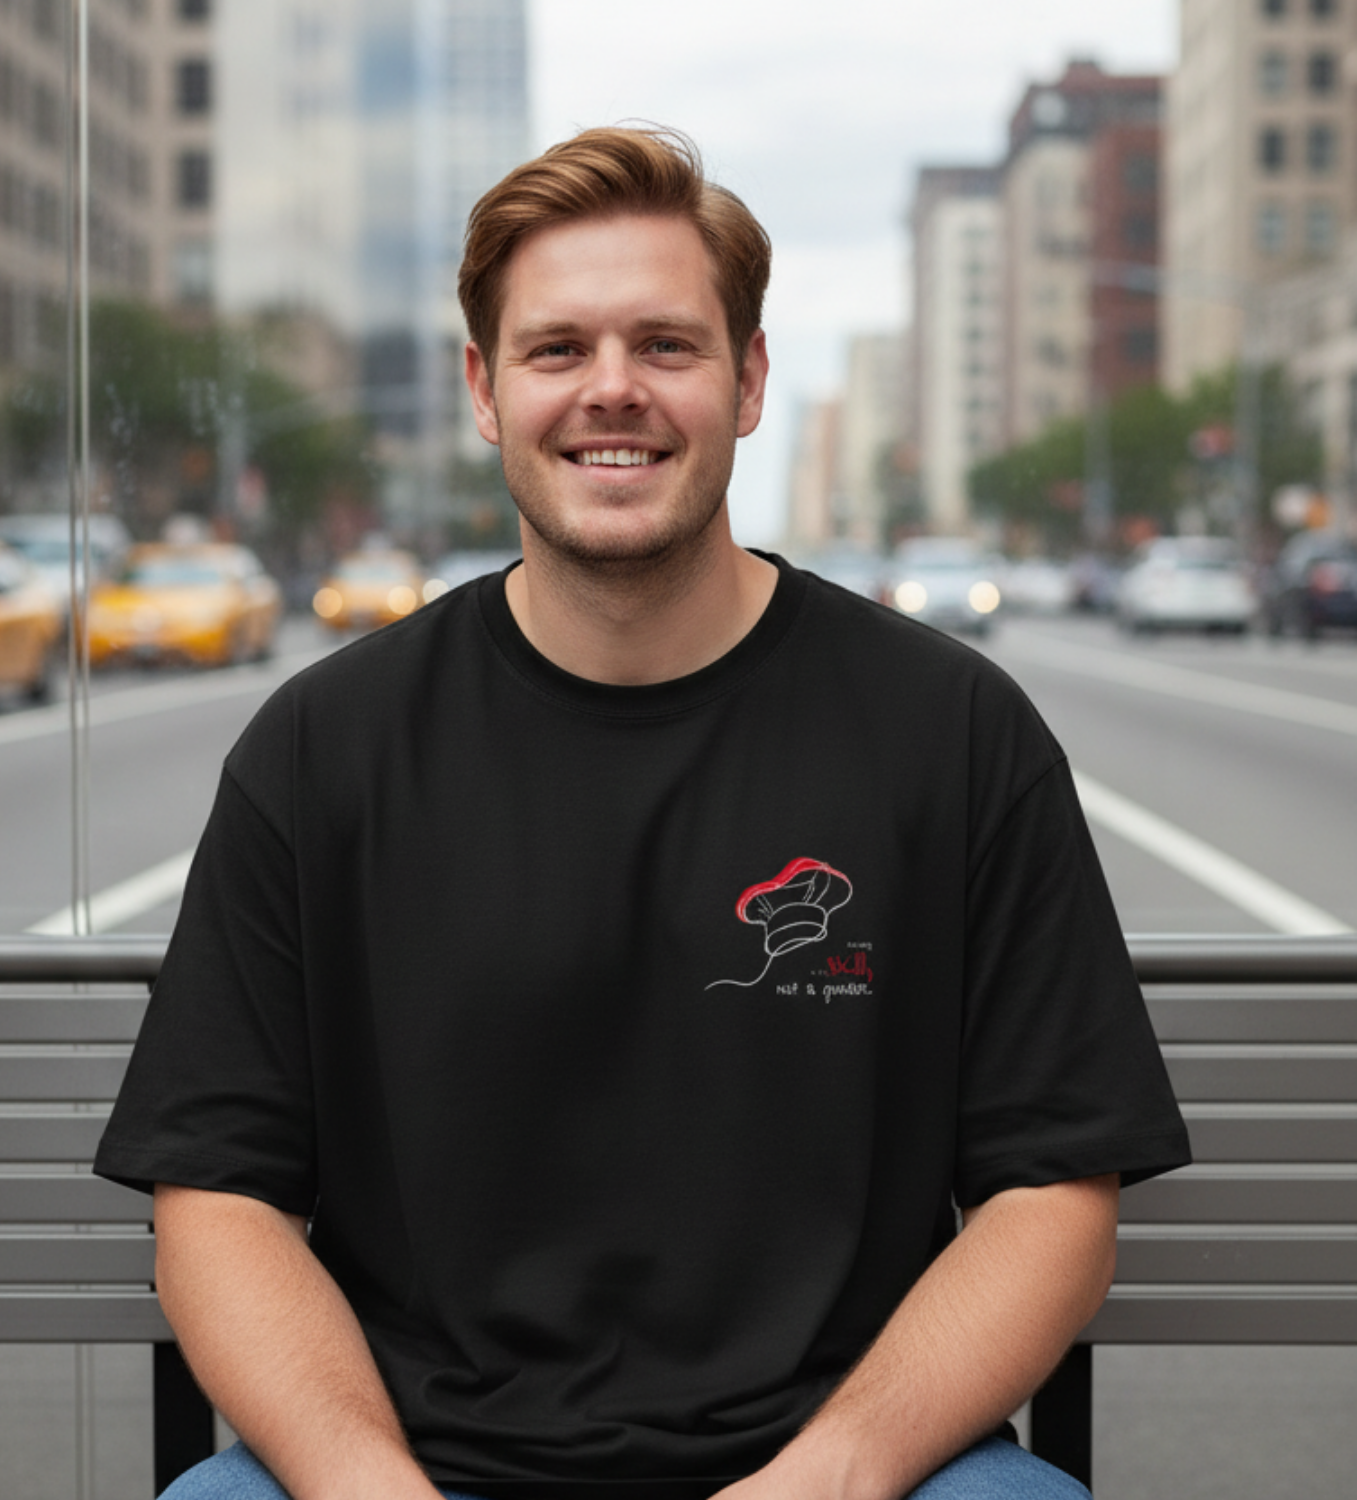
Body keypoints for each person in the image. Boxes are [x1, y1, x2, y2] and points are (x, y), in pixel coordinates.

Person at [94, 126, 1190, 1500]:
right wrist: (366, 1486)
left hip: (856, 1470)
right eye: (558, 351)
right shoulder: (326, 748)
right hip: (413, 1465)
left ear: (749, 381)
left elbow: (1053, 1196)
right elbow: (222, 1199)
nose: (613, 391)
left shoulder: (955, 732)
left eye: (666, 346)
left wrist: (832, 1478)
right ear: (487, 392)